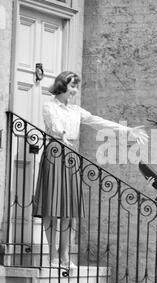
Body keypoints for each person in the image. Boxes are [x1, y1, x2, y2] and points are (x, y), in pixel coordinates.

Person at [33, 71, 148, 269]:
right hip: (54, 153)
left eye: (76, 86)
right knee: (52, 209)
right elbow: (54, 125)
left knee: (69, 210)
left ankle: (65, 256)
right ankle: (52, 256)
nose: (75, 90)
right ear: (61, 85)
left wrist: (127, 131)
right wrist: (62, 134)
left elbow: (98, 121)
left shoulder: (77, 110)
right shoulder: (49, 106)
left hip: (71, 156)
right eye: (72, 86)